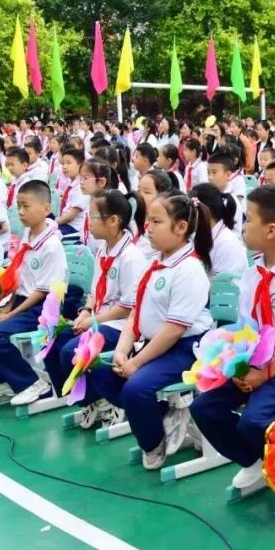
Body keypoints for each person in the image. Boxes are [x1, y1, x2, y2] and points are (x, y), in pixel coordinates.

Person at [192, 184, 275, 509]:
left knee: (253, 419)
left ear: (271, 230)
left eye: (248, 220)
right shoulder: (254, 273)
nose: (242, 227)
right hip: (257, 366)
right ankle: (252, 457)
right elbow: (247, 330)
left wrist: (262, 375)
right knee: (204, 408)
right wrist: (238, 367)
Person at [86, 194, 214, 470]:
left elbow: (174, 330)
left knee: (136, 389)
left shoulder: (189, 269)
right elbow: (136, 314)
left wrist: (136, 362)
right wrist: (121, 351)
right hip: (151, 344)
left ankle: (154, 442)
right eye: (147, 221)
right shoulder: (155, 263)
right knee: (97, 367)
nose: (148, 228)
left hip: (184, 348)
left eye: (157, 222)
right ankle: (163, 413)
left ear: (180, 228)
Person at [51, 191, 148, 429]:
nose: (88, 221)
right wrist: (86, 311)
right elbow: (95, 292)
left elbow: (129, 307)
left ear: (113, 220)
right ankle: (88, 399)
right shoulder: (102, 250)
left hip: (120, 326)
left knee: (71, 351)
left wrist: (94, 320)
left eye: (93, 216)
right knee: (54, 340)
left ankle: (107, 398)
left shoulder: (131, 257)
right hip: (99, 319)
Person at [0, 181, 70, 405]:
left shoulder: (50, 245)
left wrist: (10, 315)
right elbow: (21, 279)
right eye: (18, 206)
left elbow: (41, 292)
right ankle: (5, 381)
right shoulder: (29, 235)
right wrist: (7, 307)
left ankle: (32, 383)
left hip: (43, 308)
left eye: (26, 206)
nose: (20, 212)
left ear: (46, 209)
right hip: (24, 301)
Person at [188, 183, 246, 278]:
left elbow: (222, 288)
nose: (188, 216)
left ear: (206, 211)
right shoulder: (199, 234)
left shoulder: (227, 243)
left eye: (191, 210)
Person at [55, 147, 89, 242]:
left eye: (69, 163)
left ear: (81, 165)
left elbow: (71, 216)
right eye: (63, 163)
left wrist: (54, 222)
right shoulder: (72, 185)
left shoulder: (82, 186)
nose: (64, 166)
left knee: (47, 236)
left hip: (74, 229)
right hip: (66, 224)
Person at [207, 151, 247, 228]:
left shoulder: (231, 202)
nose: (210, 177)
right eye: (208, 172)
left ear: (228, 175)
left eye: (214, 172)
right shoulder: (210, 195)